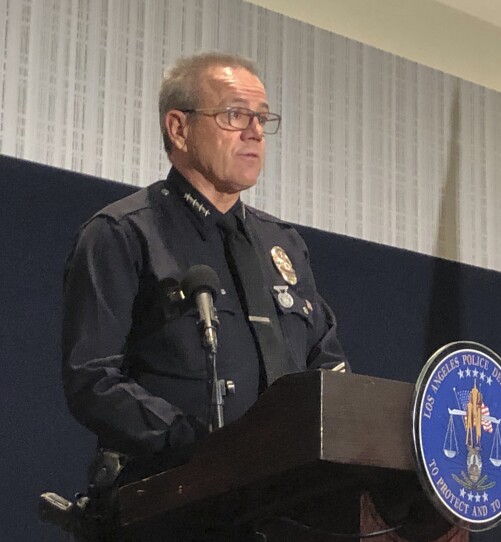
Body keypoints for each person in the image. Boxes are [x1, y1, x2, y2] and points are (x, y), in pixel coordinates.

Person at [61, 52, 349, 490]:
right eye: (235, 115)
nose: (255, 133)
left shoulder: (284, 245)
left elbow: (327, 367)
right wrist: (198, 445)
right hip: (172, 498)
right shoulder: (122, 234)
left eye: (262, 118)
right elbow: (93, 380)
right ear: (179, 127)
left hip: (287, 505)